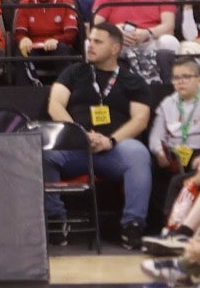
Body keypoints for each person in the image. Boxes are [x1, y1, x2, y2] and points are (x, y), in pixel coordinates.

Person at [43, 21, 151, 248]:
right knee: (44, 155)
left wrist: (110, 141)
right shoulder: (74, 72)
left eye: (97, 42)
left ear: (115, 49)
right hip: (76, 146)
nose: (90, 45)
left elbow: (140, 118)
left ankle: (132, 225)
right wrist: (78, 135)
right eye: (89, 40)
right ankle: (56, 220)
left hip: (115, 148)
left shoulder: (133, 80)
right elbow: (55, 105)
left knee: (139, 154)